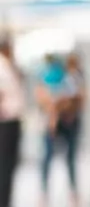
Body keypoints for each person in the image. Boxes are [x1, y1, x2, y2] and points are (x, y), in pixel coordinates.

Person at [35, 53, 85, 207]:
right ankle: (44, 194)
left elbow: (78, 99)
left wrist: (60, 108)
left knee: (69, 159)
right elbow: (44, 100)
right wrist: (54, 112)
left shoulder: (70, 79)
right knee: (47, 159)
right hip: (53, 123)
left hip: (66, 122)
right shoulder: (48, 79)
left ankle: (73, 193)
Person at [0, 40, 23, 207]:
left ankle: (6, 200)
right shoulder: (2, 66)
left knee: (9, 164)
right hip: (6, 122)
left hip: (12, 120)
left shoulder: (8, 65)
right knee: (5, 165)